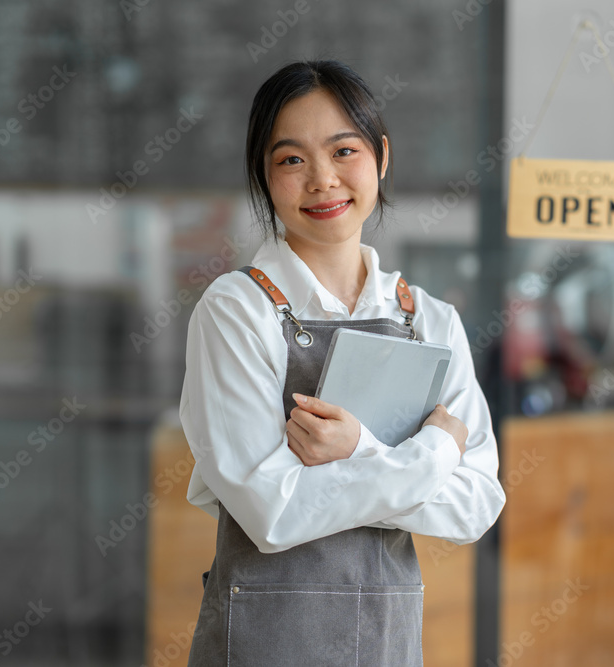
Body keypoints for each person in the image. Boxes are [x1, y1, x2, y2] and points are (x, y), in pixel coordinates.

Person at [179, 59, 505, 666]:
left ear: (381, 157)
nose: (323, 179)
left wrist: (357, 451)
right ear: (265, 176)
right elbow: (272, 512)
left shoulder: (430, 320)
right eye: (292, 159)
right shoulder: (234, 311)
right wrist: (431, 454)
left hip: (388, 645)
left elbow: (477, 506)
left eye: (343, 151)